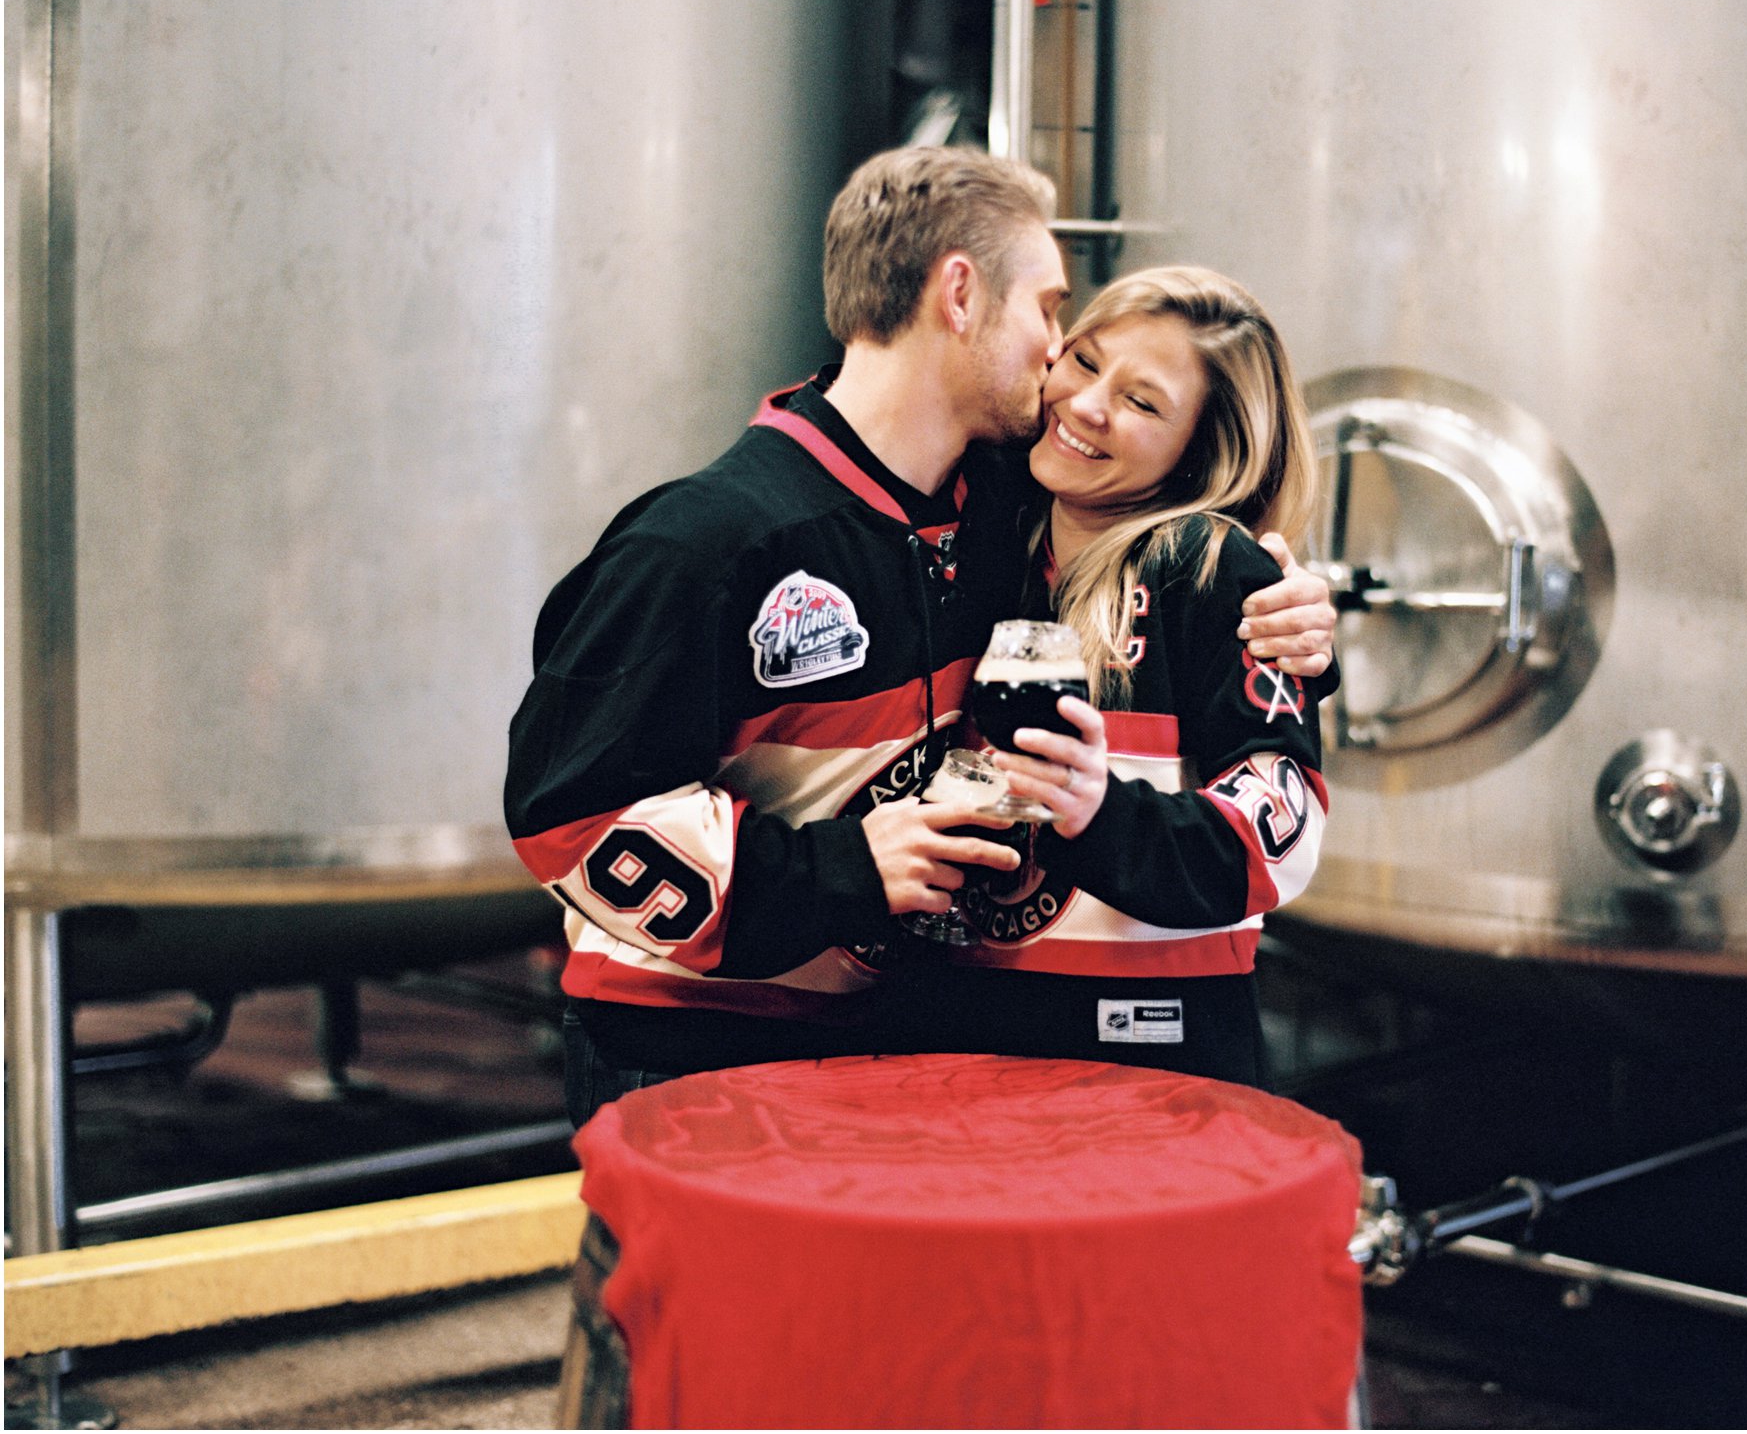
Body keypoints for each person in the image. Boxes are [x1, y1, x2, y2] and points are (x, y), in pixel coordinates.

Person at [504, 149, 1336, 1127]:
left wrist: (1293, 631)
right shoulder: (704, 540)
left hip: (889, 1045)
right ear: (959, 294)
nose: (1060, 361)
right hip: (692, 1049)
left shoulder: (996, 516)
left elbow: (1179, 577)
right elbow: (571, 814)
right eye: (1050, 313)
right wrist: (849, 871)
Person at [896, 266, 1330, 1088]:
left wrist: (1099, 814)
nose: (1089, 406)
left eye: (1143, 402)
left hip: (1151, 1066)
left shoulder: (1207, 567)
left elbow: (1284, 842)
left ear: (1201, 450)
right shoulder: (990, 525)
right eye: (1086, 362)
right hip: (962, 1039)